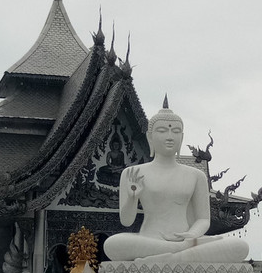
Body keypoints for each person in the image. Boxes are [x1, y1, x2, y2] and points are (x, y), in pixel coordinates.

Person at [103, 98, 248, 263]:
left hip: (186, 240)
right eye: (162, 131)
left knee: (240, 246)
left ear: (182, 137)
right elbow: (127, 221)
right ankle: (177, 253)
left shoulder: (196, 175)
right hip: (149, 241)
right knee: (113, 244)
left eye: (176, 131)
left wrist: (193, 234)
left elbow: (203, 220)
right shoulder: (133, 173)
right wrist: (132, 197)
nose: (170, 136)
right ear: (150, 137)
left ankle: (171, 254)